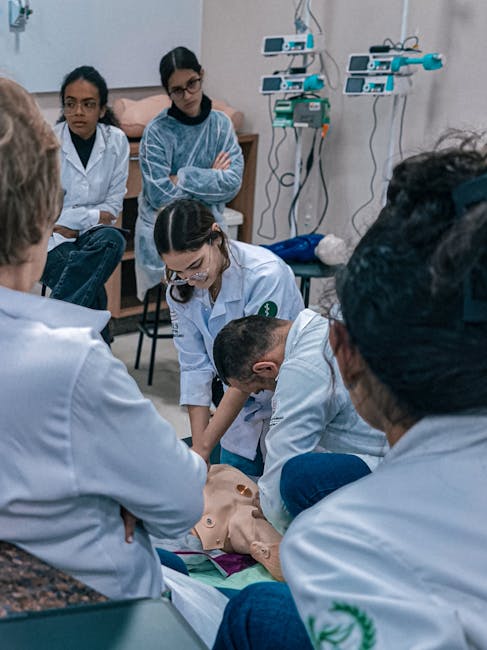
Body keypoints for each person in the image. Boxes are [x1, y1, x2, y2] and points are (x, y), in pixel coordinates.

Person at [213, 134, 487, 649]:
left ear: (345, 350)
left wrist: (256, 524)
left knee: (253, 609)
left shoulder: (334, 545)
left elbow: (282, 465)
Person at [0, 77, 206, 600]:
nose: (78, 112)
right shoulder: (68, 365)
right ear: (45, 205)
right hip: (85, 606)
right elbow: (182, 502)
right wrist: (122, 490)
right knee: (262, 610)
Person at [154, 198, 304, 476]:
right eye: (178, 271)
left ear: (216, 236)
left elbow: (250, 370)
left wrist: (205, 445)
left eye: (196, 265)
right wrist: (200, 448)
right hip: (236, 408)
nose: (190, 279)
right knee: (234, 487)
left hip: (281, 400)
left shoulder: (264, 275)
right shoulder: (180, 290)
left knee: (281, 492)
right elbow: (194, 367)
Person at [212, 310, 388, 534]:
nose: (266, 392)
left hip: (396, 465)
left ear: (266, 368)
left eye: (261, 388)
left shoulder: (301, 369)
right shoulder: (323, 318)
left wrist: (269, 512)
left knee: (297, 478)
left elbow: (280, 476)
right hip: (422, 444)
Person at [135, 46, 244, 300]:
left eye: (192, 83)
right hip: (165, 234)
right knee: (187, 291)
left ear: (201, 75)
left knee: (224, 296)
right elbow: (159, 194)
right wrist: (210, 177)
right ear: (167, 91)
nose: (187, 94)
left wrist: (182, 176)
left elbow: (232, 184)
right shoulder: (157, 132)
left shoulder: (220, 126)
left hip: (211, 231)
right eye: (177, 90)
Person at [40, 65, 129, 344]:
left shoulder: (116, 141)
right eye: (71, 104)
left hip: (94, 237)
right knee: (93, 290)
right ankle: (100, 350)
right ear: (64, 107)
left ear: (102, 109)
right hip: (50, 240)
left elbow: (112, 209)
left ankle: (51, 329)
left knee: (113, 240)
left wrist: (72, 223)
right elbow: (43, 212)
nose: (78, 111)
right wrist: (91, 215)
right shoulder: (47, 142)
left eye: (88, 104)